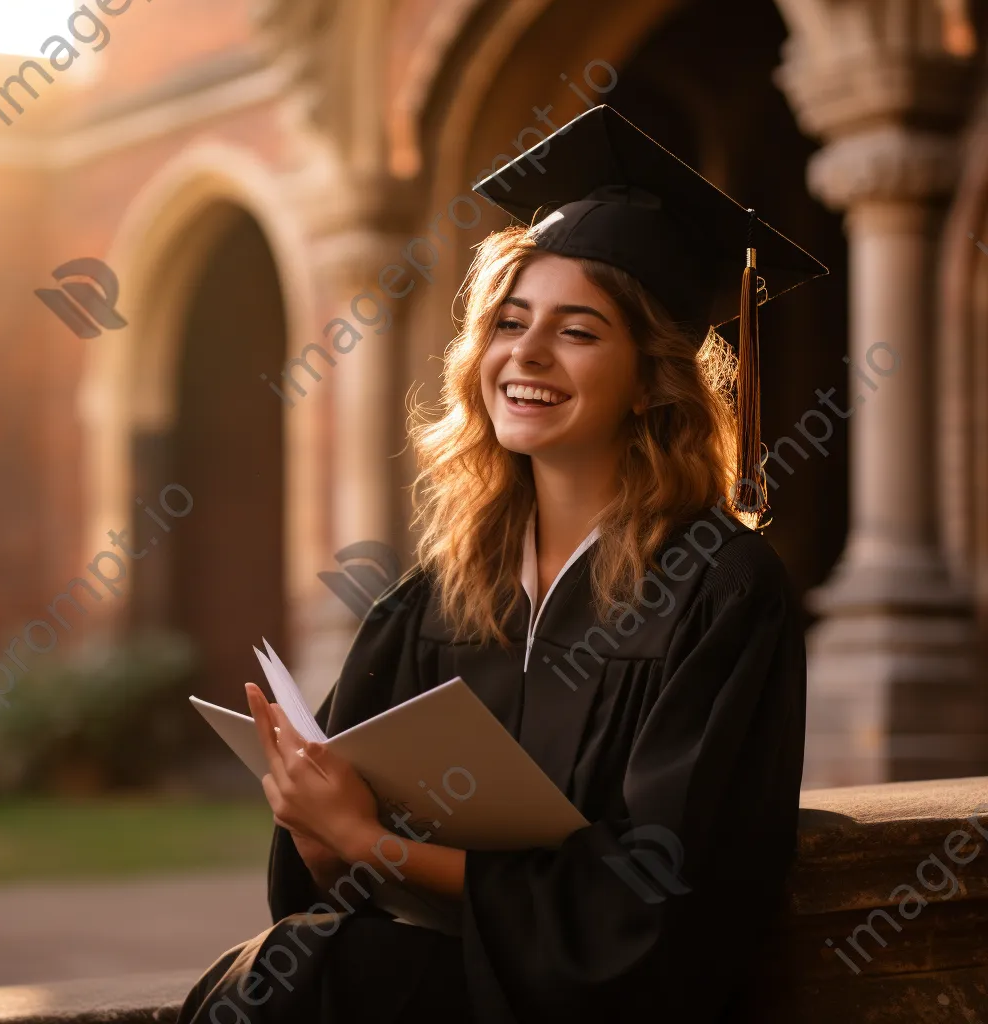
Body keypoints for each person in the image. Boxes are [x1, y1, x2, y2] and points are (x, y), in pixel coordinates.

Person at [175, 104, 827, 1024]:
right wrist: (319, 827)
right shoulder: (437, 599)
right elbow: (327, 891)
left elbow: (657, 912)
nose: (524, 354)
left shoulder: (719, 595)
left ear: (651, 381)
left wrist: (373, 842)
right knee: (289, 967)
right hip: (425, 985)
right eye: (509, 321)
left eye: (578, 331)